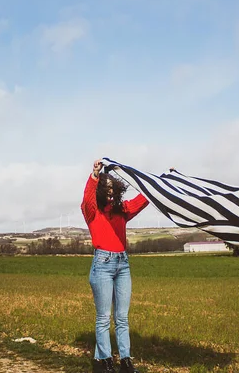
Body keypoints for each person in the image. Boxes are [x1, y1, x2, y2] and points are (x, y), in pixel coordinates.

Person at [81, 159, 149, 373]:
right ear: (101, 190)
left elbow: (144, 198)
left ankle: (126, 362)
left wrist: (162, 181)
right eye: (107, 190)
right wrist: (94, 175)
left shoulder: (122, 210)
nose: (110, 194)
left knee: (122, 317)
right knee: (103, 318)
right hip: (102, 264)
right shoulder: (92, 212)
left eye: (113, 190)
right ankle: (105, 362)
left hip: (123, 265)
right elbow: (87, 198)